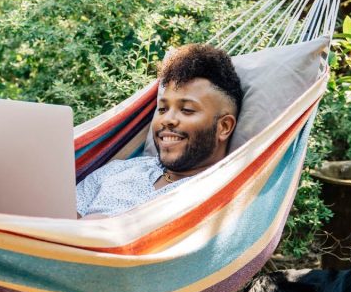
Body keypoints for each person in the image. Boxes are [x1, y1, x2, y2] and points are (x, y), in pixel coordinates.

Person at [76, 44, 243, 217]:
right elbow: (58, 218)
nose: (167, 120)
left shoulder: (221, 197)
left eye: (187, 110)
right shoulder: (118, 170)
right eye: (162, 109)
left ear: (224, 127)